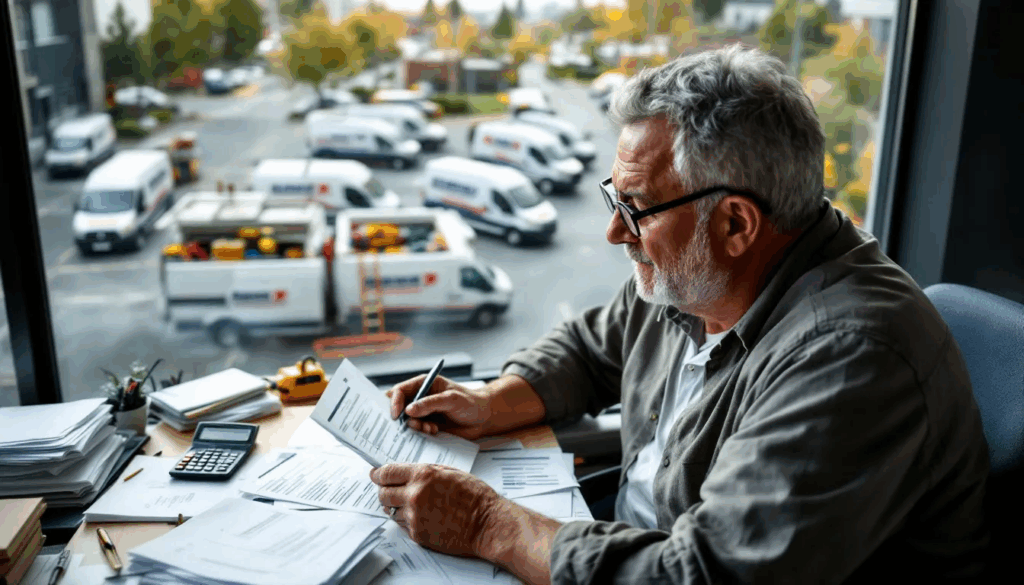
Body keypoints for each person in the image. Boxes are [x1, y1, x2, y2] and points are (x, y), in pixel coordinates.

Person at [369, 45, 990, 584]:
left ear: (735, 223)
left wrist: (486, 524)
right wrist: (494, 400)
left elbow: (709, 574)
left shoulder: (851, 356)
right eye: (615, 198)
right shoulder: (701, 276)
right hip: (622, 539)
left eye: (635, 207)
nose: (615, 231)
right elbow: (590, 347)